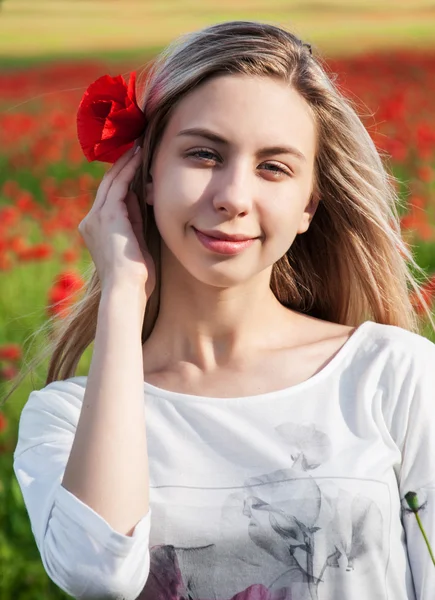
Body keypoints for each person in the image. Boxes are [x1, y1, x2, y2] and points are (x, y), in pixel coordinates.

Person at [9, 20, 435, 600]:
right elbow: (98, 574)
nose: (233, 196)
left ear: (309, 204)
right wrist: (121, 296)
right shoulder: (65, 418)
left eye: (273, 167)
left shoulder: (393, 375)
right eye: (204, 154)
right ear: (146, 175)